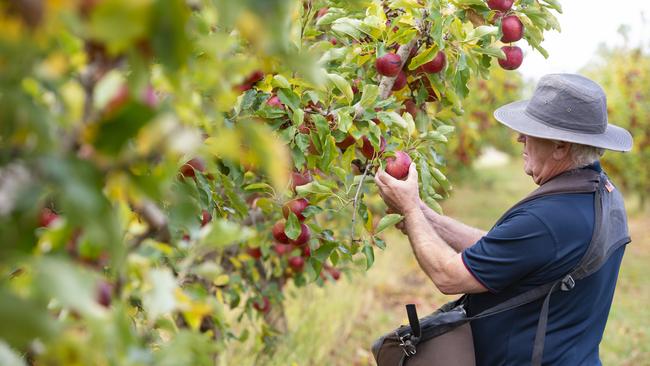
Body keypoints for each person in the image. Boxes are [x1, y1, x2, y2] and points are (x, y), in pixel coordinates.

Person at [374, 73, 633, 365]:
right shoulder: (600, 193)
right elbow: (508, 250)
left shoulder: (549, 219)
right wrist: (423, 215)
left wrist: (409, 211)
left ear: (561, 146)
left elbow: (448, 276)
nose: (520, 138)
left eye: (531, 131)